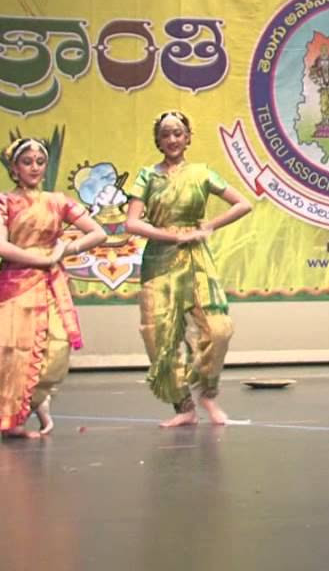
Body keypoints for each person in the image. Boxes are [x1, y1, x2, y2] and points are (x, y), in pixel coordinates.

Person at [0, 138, 107, 439]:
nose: (34, 167)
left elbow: (98, 233)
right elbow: (0, 246)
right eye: (27, 162)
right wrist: (41, 259)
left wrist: (64, 250)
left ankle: (32, 402)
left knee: (57, 348)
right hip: (15, 283)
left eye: (39, 161)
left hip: (50, 283)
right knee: (9, 353)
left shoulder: (58, 201)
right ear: (14, 168)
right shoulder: (2, 201)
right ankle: (13, 423)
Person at [126, 111, 252, 427]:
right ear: (158, 140)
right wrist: (172, 235)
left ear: (188, 138)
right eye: (166, 134)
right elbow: (131, 223)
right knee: (159, 337)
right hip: (160, 261)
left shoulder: (201, 173)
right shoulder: (146, 177)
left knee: (218, 328)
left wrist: (207, 226)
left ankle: (207, 391)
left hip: (196, 259)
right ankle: (183, 406)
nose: (172, 139)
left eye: (178, 133)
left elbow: (243, 203)